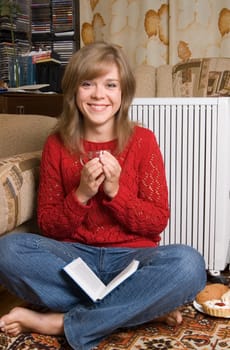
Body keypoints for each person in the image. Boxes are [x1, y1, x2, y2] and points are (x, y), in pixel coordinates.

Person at [0, 42, 206, 350]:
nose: (99, 95)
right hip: (73, 259)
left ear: (123, 93)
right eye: (88, 84)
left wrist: (114, 192)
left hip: (131, 258)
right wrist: (81, 194)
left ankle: (59, 322)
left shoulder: (143, 141)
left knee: (189, 264)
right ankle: (140, 308)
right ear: (73, 92)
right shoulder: (57, 144)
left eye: (110, 85)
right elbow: (50, 227)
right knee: (8, 251)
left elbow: (156, 223)